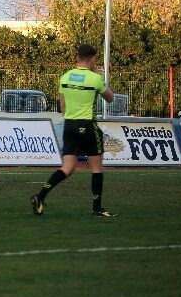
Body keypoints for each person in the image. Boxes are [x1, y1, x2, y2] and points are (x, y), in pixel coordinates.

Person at [30, 44, 116, 217]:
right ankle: (97, 208)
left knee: (68, 167)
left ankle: (40, 196)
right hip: (88, 125)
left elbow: (62, 104)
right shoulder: (95, 78)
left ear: (78, 57)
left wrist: (70, 117)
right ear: (92, 59)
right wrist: (99, 77)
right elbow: (110, 98)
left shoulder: (65, 77)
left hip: (69, 125)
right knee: (97, 167)